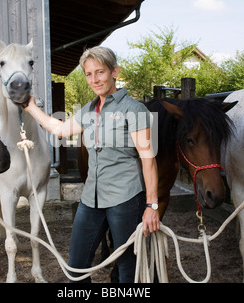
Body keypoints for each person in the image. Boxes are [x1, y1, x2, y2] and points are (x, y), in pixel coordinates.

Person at [14, 46, 159, 283]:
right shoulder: (89, 110)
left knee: (128, 270)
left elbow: (148, 159)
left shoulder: (134, 110)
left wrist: (152, 205)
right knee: (76, 268)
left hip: (125, 199)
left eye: (100, 72)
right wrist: (30, 107)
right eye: (89, 74)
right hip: (91, 199)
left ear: (115, 72)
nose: (94, 79)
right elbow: (59, 129)